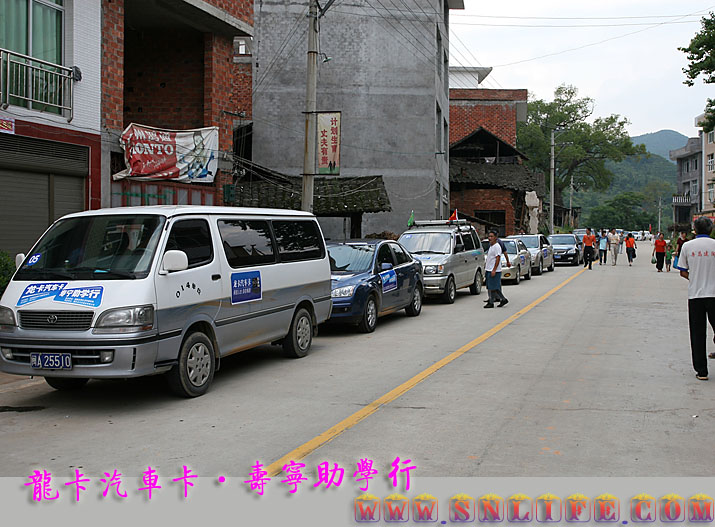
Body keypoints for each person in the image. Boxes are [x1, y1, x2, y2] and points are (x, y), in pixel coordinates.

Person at [678, 217, 715, 381]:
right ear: (711, 229)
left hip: (695, 295)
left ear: (695, 229)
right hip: (714, 294)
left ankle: (702, 371)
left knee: (697, 333)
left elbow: (682, 271)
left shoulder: (687, 246)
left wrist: (695, 279)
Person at [484, 229, 508, 308]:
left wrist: (494, 269)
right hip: (489, 269)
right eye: (489, 236)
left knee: (493, 287)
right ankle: (502, 299)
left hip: (494, 270)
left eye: (491, 236)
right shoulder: (491, 246)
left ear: (495, 237)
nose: (489, 238)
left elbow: (498, 258)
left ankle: (492, 302)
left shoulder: (497, 247)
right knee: (492, 286)